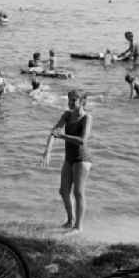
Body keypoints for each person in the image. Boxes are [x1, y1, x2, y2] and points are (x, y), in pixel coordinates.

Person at [41, 89, 93, 232]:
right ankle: (70, 221)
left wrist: (62, 136)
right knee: (63, 191)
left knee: (78, 192)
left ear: (82, 102)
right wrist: (48, 151)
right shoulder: (67, 115)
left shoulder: (87, 118)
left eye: (73, 100)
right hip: (69, 158)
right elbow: (54, 132)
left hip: (82, 159)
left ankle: (78, 227)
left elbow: (82, 140)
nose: (70, 103)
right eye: (69, 100)